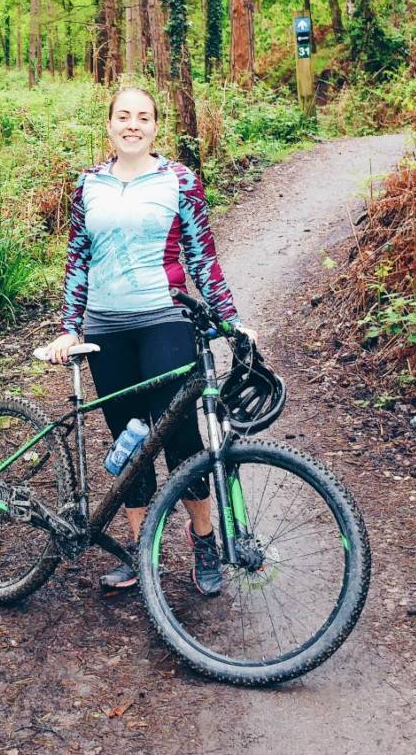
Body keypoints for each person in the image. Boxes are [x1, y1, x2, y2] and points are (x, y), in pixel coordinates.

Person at [44, 86, 254, 595]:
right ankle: (144, 552)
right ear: (110, 125)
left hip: (165, 320)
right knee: (129, 440)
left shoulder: (178, 179)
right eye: (123, 116)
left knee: (179, 437)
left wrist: (230, 320)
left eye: (143, 117)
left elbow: (202, 255)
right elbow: (78, 259)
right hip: (105, 328)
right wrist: (71, 327)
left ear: (156, 126)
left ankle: (204, 540)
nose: (132, 125)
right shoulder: (88, 184)